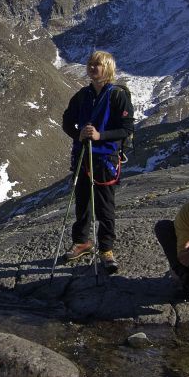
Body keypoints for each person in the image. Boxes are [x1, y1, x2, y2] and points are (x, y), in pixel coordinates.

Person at [61, 50, 134, 274]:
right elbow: (67, 122)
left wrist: (99, 136)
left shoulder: (118, 95)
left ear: (108, 68)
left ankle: (106, 248)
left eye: (98, 65)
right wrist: (79, 134)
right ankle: (82, 241)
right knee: (82, 201)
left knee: (104, 205)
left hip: (105, 158)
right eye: (91, 64)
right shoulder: (82, 95)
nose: (93, 68)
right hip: (83, 155)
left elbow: (126, 128)